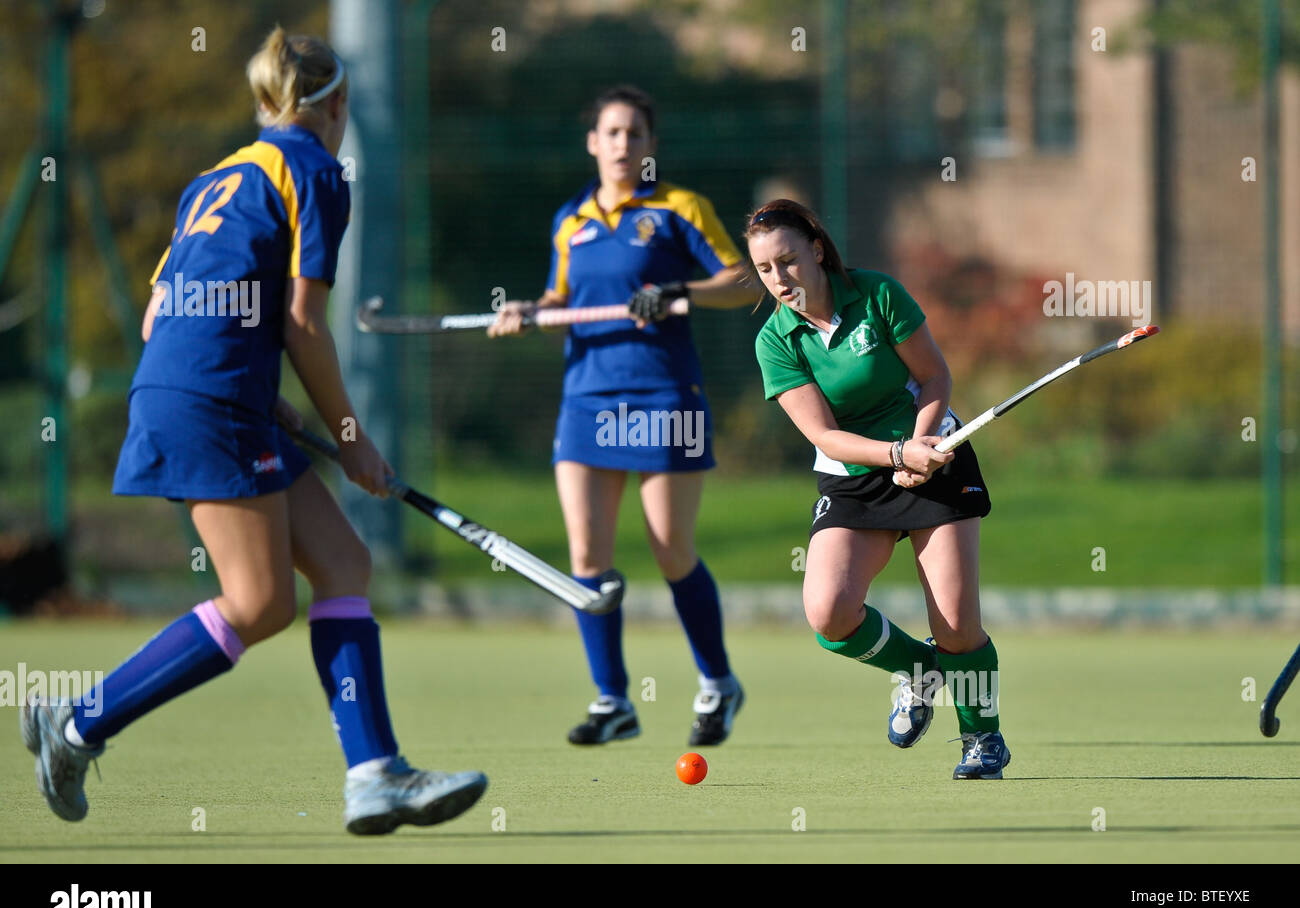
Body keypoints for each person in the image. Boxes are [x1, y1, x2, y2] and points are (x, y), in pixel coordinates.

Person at [20, 28, 487, 833]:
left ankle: (376, 773)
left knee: (343, 562)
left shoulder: (214, 178)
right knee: (260, 601)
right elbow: (305, 324)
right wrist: (349, 438)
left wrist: (258, 388)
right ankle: (77, 724)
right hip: (210, 401)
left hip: (192, 388)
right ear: (337, 103)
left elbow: (158, 314)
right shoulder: (317, 173)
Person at [489, 85, 758, 746]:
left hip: (663, 394)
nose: (622, 145)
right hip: (587, 397)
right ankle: (613, 700)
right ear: (593, 142)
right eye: (611, 133)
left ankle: (719, 682)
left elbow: (743, 280)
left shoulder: (678, 209)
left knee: (671, 550)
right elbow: (561, 298)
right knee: (588, 555)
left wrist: (676, 290)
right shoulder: (570, 220)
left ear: (650, 146)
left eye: (635, 134)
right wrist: (528, 313)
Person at [746, 199, 1009, 779]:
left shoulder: (878, 295)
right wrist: (895, 456)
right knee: (829, 613)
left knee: (956, 625)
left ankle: (982, 738)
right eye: (765, 270)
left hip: (936, 458)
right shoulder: (776, 340)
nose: (779, 279)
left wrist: (923, 446)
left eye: (787, 261)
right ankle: (919, 671)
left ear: (816, 250)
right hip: (856, 479)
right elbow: (825, 435)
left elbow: (934, 374)